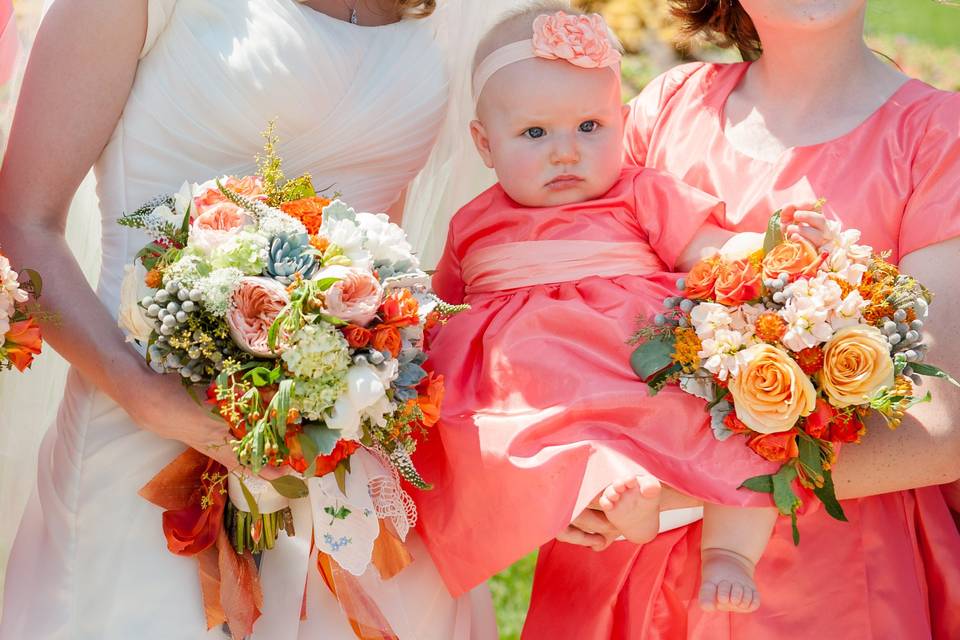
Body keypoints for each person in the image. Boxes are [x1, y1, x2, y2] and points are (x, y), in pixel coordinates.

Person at [0, 0, 506, 638]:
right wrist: (145, 397)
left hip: (345, 442)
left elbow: (381, 235)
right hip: (142, 433)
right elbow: (24, 223)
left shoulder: (434, 16)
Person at [525, 1, 960, 637]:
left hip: (830, 577)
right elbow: (573, 305)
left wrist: (663, 492)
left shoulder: (936, 136)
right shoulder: (667, 108)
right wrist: (562, 469)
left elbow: (940, 423)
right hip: (627, 563)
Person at [411, 1, 828, 617]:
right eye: (534, 133)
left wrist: (773, 245)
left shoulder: (636, 192)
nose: (565, 153)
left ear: (620, 120)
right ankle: (600, 502)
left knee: (740, 425)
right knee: (476, 431)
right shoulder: (471, 225)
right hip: (532, 393)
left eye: (590, 127)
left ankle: (727, 551)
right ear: (484, 143)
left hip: (633, 361)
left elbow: (708, 250)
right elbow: (441, 312)